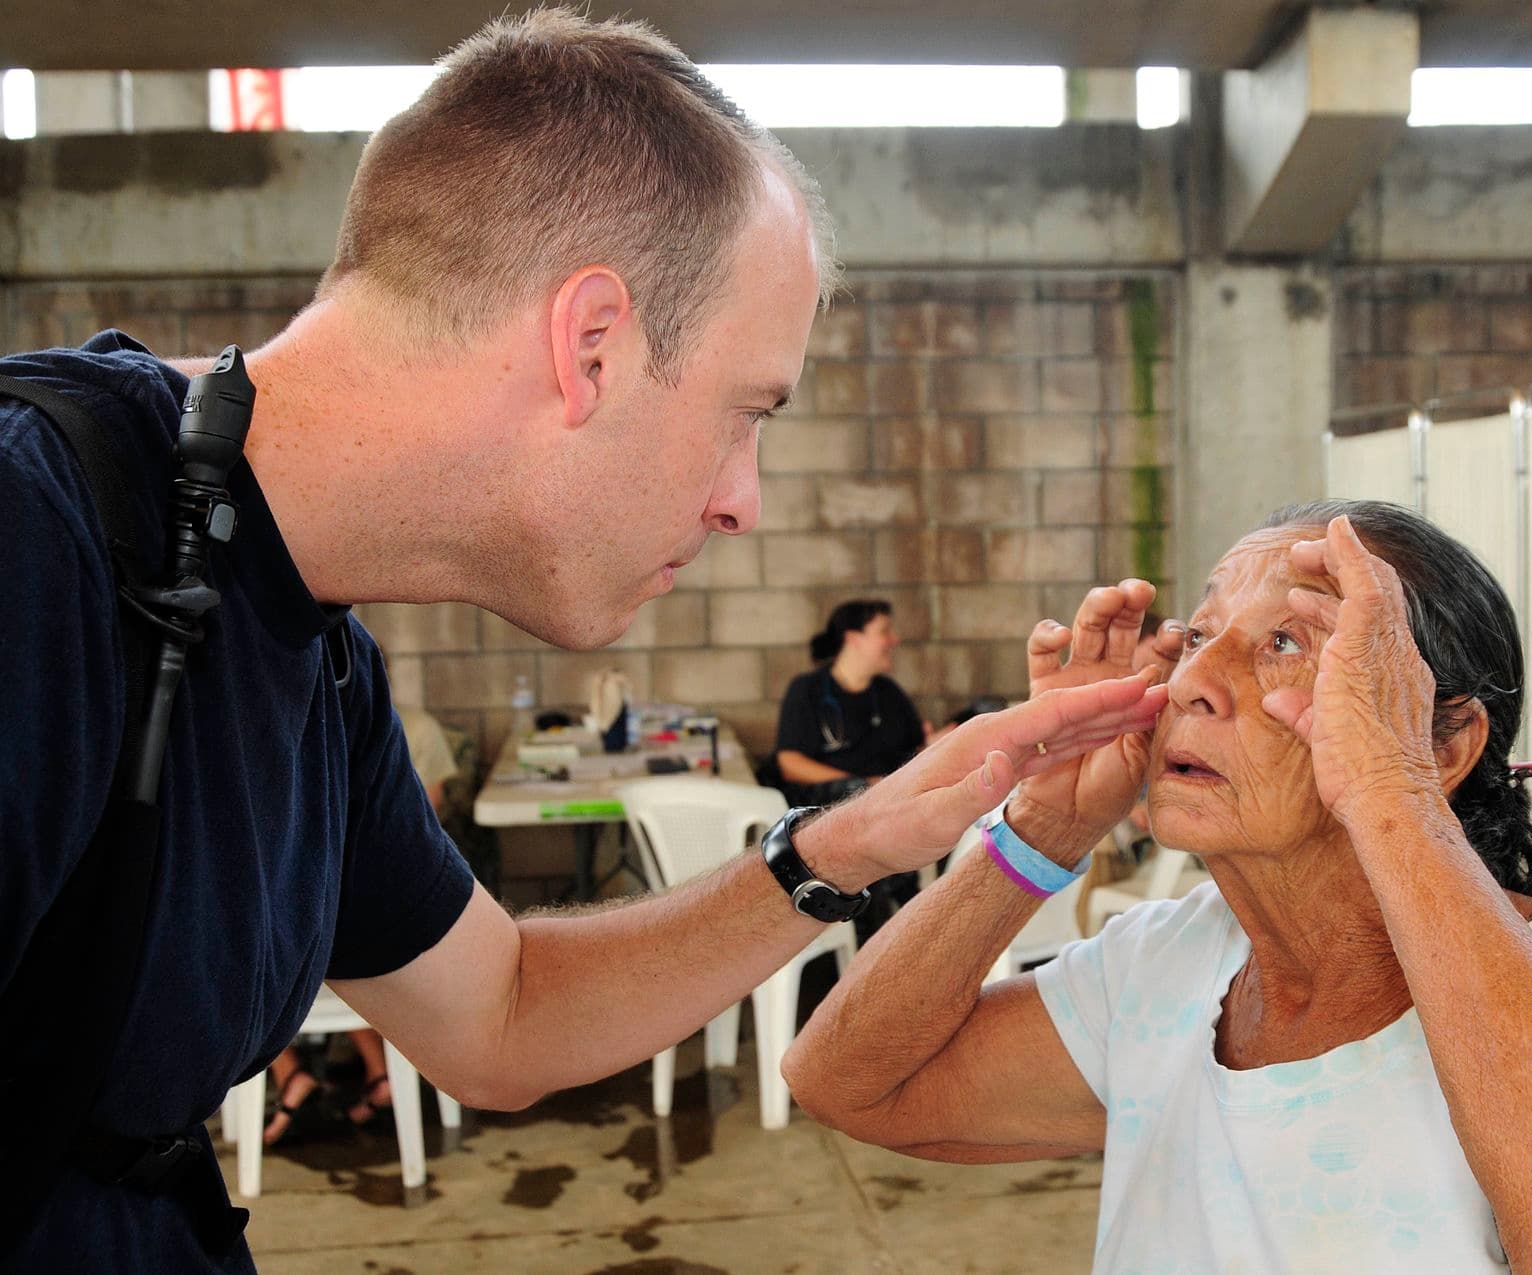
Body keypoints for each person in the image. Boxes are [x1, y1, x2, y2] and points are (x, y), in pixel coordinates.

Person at [0, 11, 1167, 1271]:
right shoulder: (33, 542)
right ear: (591, 343)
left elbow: (500, 1019)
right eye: (746, 412)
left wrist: (856, 840)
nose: (743, 500)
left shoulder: (316, 655)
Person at [784, 503, 1532, 1273]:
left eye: (1285, 641)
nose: (1193, 678)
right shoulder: (1163, 965)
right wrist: (1043, 827)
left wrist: (1390, 792)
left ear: (1444, 747)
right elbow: (847, 1081)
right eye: (1198, 634)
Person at [260, 706, 461, 1145]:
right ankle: (372, 1074)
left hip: (370, 901)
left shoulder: (311, 728)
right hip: (348, 904)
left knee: (301, 949)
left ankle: (302, 1074)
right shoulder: (306, 727)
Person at [773, 600, 924, 806]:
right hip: (830, 811)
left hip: (889, 806)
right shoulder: (807, 690)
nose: (894, 639)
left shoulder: (889, 692)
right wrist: (860, 785)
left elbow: (915, 747)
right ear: (853, 638)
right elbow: (790, 764)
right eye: (884, 631)